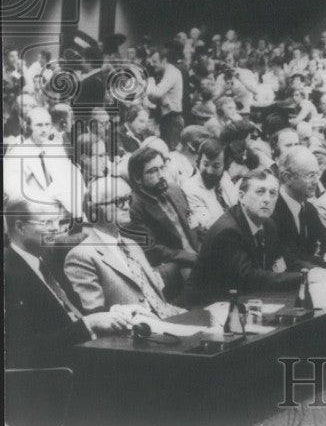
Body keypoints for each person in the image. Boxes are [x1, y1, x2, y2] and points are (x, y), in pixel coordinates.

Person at [5, 197, 131, 368]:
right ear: (20, 227)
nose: (56, 229)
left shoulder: (47, 259)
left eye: (57, 221)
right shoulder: (9, 275)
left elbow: (75, 311)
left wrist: (118, 311)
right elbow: (28, 350)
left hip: (88, 352)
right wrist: (89, 324)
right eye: (47, 222)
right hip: (59, 374)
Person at [191, 169, 326, 301]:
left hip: (244, 299)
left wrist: (315, 271)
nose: (267, 199)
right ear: (241, 197)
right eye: (260, 192)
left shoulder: (268, 225)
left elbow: (287, 259)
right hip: (203, 308)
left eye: (273, 193)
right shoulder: (228, 232)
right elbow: (248, 278)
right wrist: (304, 277)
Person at [64, 176, 184, 318]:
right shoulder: (81, 257)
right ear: (94, 210)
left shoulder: (132, 245)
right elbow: (98, 316)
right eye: (119, 201)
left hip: (169, 317)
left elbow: (157, 296)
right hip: (137, 332)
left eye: (128, 199)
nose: (127, 206)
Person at [3, 107, 86, 223]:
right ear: (28, 126)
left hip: (65, 212)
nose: (44, 130)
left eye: (47, 125)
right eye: (39, 125)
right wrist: (50, 197)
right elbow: (16, 194)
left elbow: (74, 179)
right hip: (35, 217)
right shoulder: (17, 154)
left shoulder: (56, 148)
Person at [126, 146, 199, 277]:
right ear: (137, 178)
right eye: (153, 171)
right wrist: (192, 257)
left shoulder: (175, 190)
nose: (161, 175)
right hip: (174, 265)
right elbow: (151, 250)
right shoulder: (133, 206)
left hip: (197, 253)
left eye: (162, 167)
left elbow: (192, 224)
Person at [272, 146, 326, 271]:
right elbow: (291, 261)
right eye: (310, 175)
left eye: (317, 174)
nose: (317, 181)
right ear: (287, 177)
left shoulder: (309, 209)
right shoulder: (272, 211)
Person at [182, 138, 239, 236]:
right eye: (205, 164)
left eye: (216, 166)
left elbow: (237, 205)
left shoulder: (224, 177)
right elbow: (209, 226)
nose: (209, 171)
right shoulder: (190, 188)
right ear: (199, 162)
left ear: (224, 166)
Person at [145, 46, 184, 150]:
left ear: (164, 60)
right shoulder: (161, 73)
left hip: (173, 119)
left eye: (155, 62)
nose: (152, 65)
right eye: (151, 62)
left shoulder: (172, 72)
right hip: (165, 118)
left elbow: (157, 93)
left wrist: (146, 84)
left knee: (170, 154)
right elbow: (152, 98)